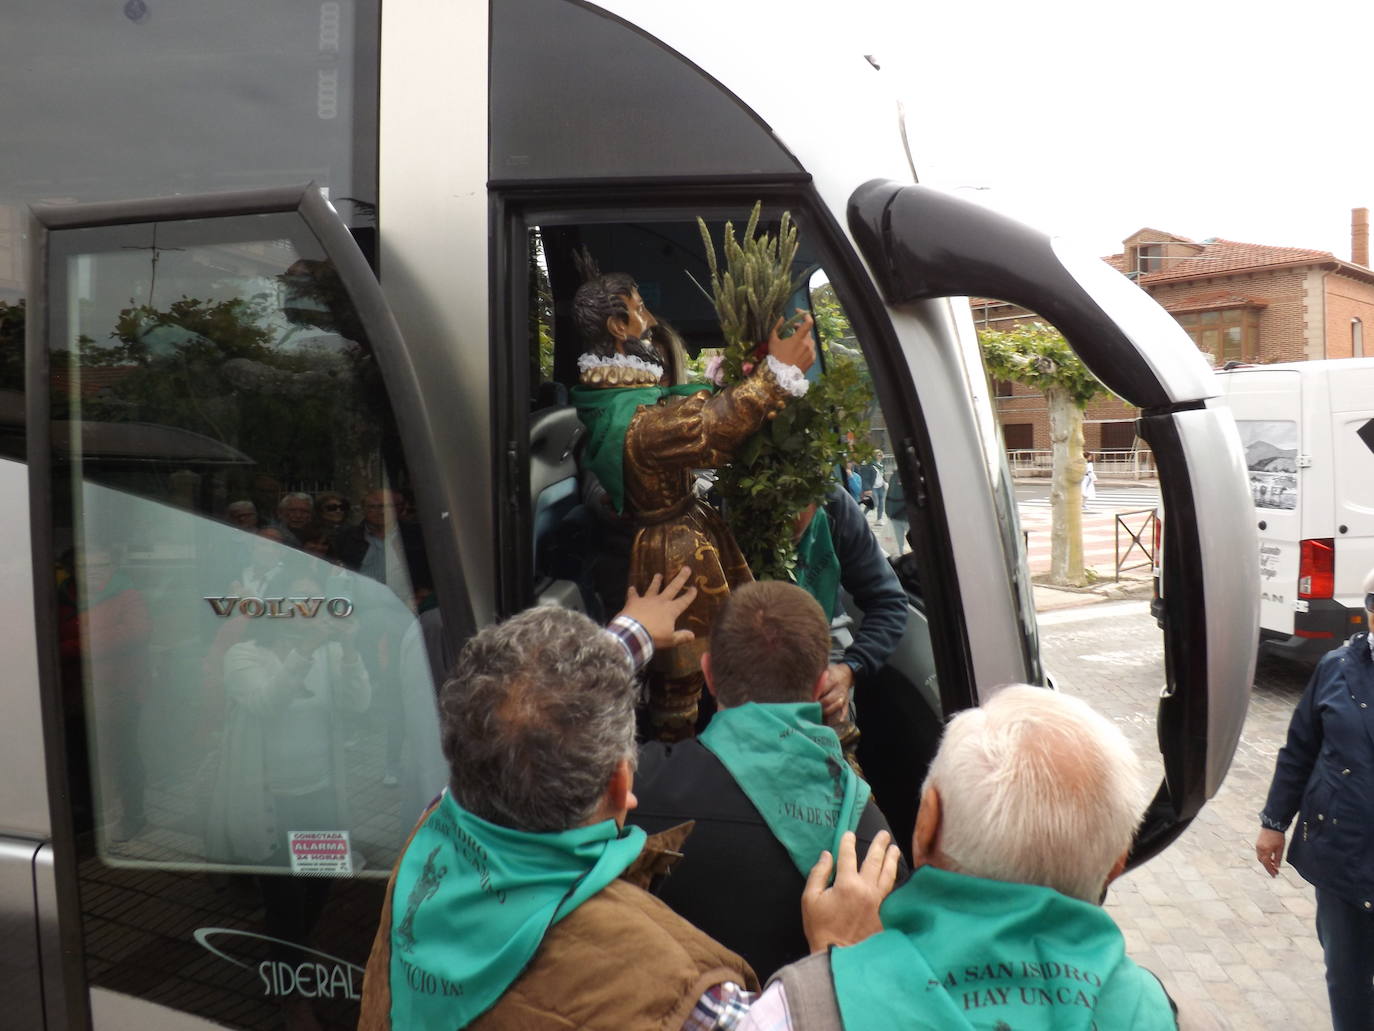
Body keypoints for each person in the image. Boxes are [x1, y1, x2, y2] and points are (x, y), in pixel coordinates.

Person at [359, 568, 806, 1030]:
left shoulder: (431, 830)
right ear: (620, 784)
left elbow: (521, 717)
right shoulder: (685, 994)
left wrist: (628, 637)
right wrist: (841, 954)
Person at [743, 684, 1178, 1030]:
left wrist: (834, 974)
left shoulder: (794, 1010)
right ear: (1116, 864)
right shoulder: (1159, 1010)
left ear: (925, 822)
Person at [570, 261, 815, 741]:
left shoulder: (632, 399)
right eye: (640, 310)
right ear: (618, 328)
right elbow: (707, 428)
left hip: (687, 534)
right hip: (675, 553)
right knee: (681, 676)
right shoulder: (636, 421)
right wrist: (775, 375)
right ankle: (682, 759)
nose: (652, 320)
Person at [630, 580, 904, 981]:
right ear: (818, 687)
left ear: (707, 674)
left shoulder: (635, 794)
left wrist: (630, 633)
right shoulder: (872, 844)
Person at [1255, 564, 1374, 1031]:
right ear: (1367, 610)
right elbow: (1300, 748)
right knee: (1346, 976)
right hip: (1341, 853)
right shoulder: (1335, 668)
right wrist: (1273, 822)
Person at [792, 487, 908, 754]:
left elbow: (888, 602)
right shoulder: (721, 505)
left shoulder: (835, 505)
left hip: (827, 649)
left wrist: (848, 670)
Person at [884, 469, 908, 557]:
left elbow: (889, 493)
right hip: (905, 515)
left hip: (894, 513)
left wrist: (888, 510)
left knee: (899, 538)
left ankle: (901, 553)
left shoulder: (894, 476)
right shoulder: (908, 476)